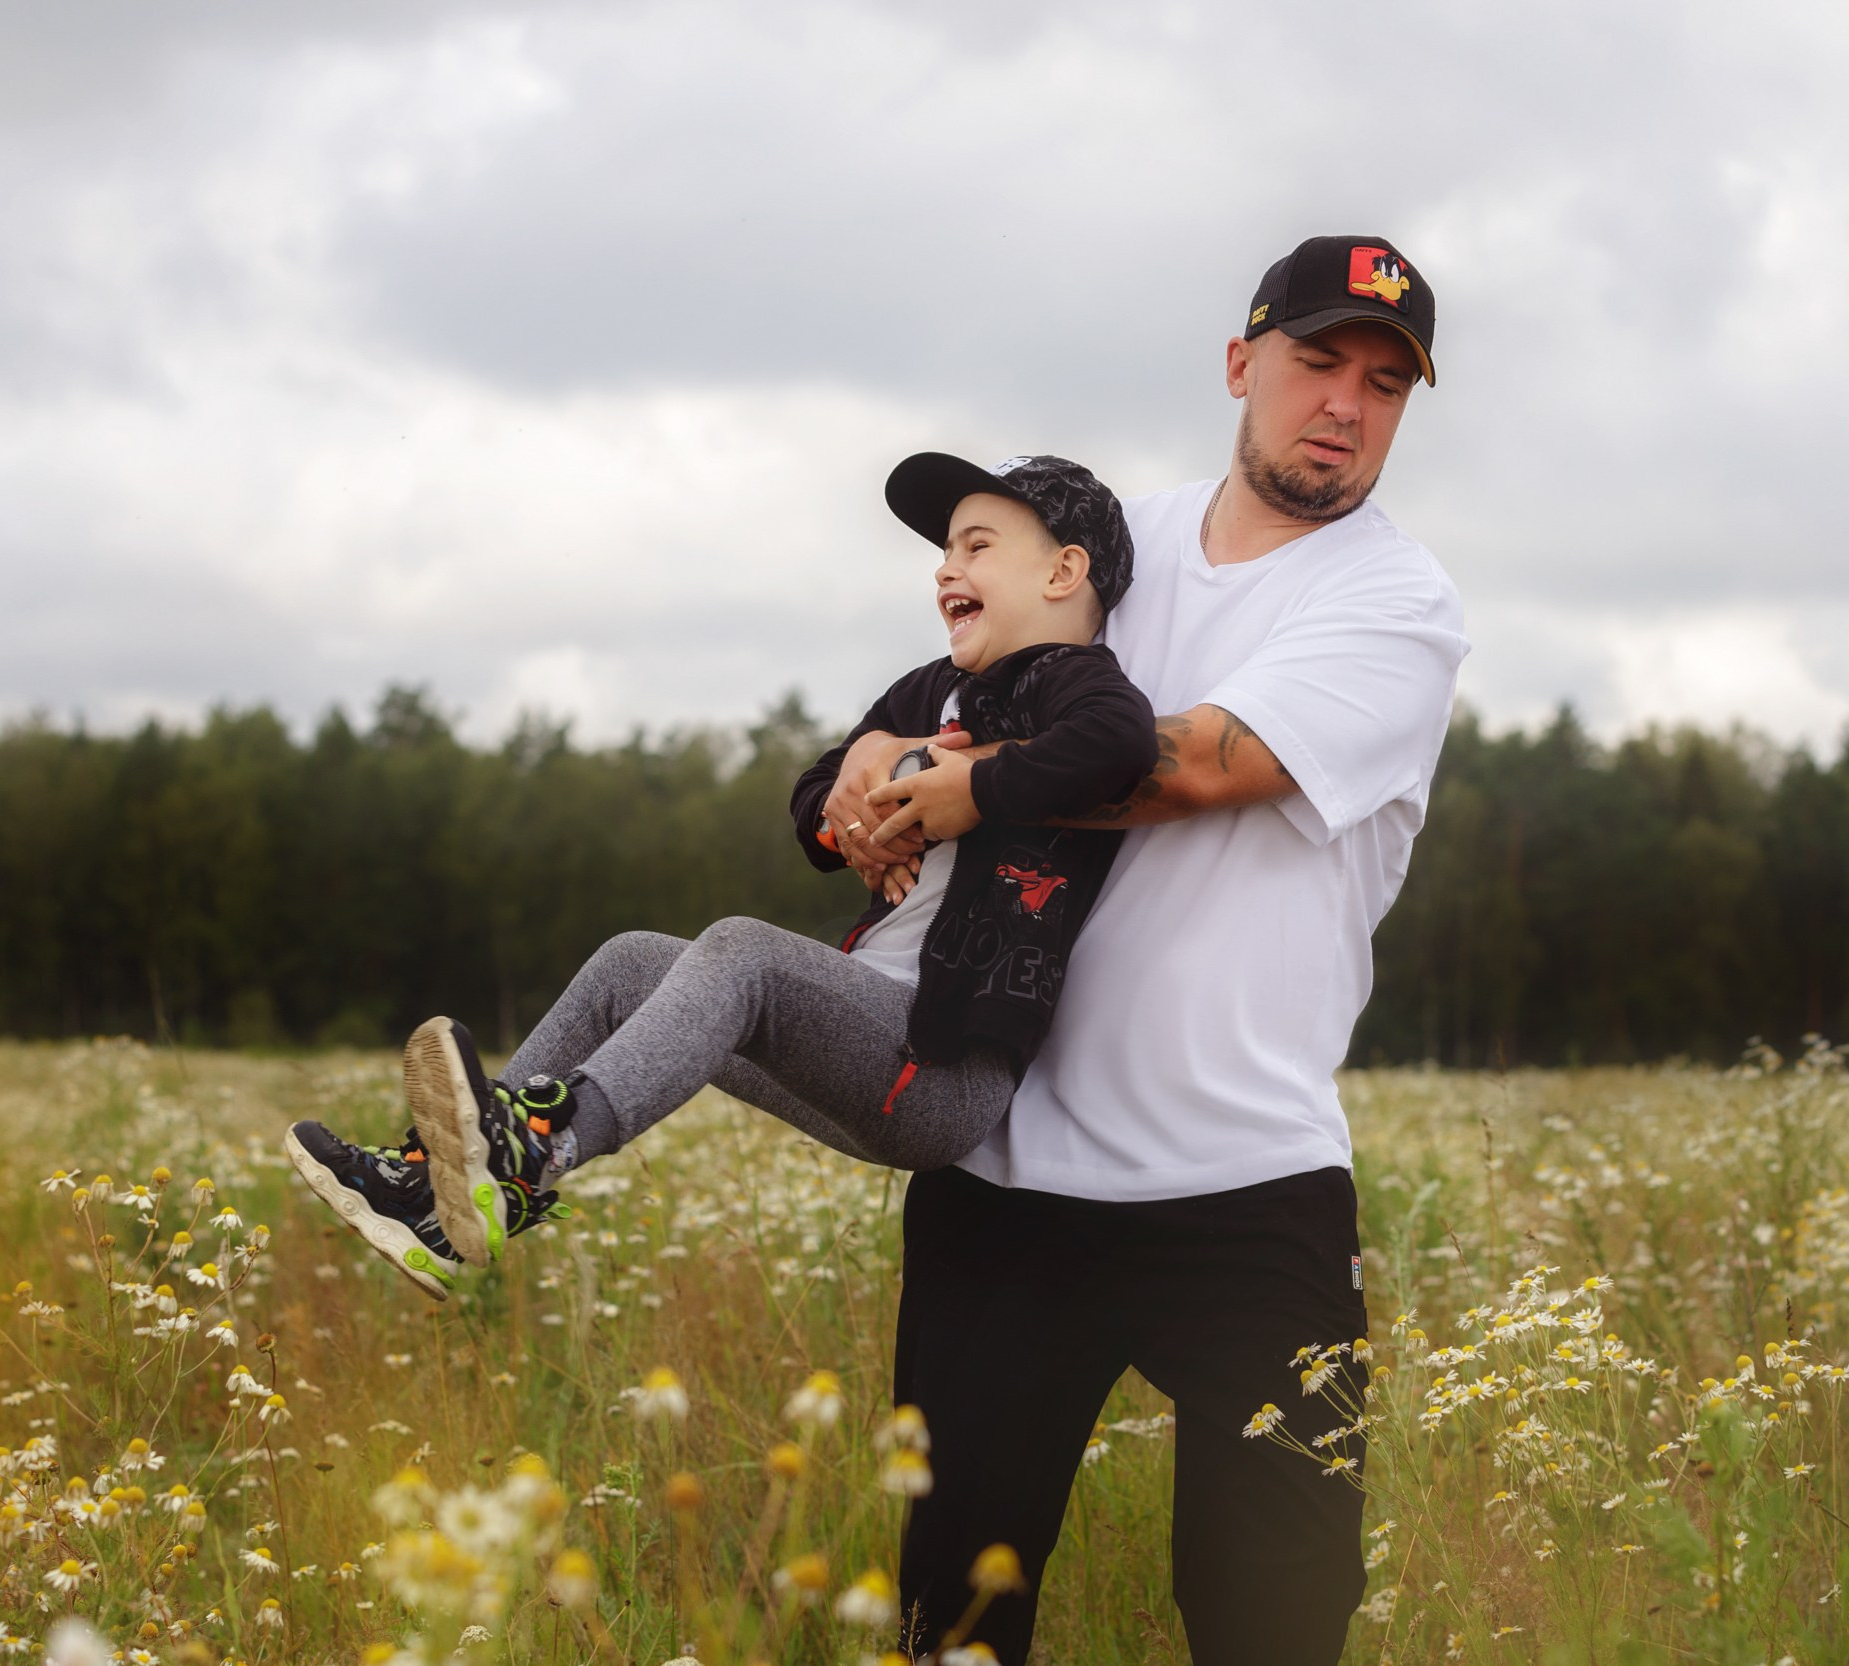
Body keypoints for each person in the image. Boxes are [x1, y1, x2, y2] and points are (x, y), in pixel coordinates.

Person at [826, 235, 1470, 1666]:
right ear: (1242, 366)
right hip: (1006, 1173)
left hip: (1250, 1193)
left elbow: (1188, 764)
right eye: (1316, 362)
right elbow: (950, 686)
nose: (1345, 406)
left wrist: (955, 774)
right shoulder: (1106, 554)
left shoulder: (1396, 606)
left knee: (1274, 1624)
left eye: (1385, 383)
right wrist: (873, 757)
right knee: (954, 1621)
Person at [282, 452, 1156, 1294]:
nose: (944, 570)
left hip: (941, 1068)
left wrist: (968, 785)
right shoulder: (930, 690)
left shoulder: (1073, 682)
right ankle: (434, 1195)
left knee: (742, 949)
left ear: (1062, 572)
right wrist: (861, 796)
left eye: (976, 546)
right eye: (943, 551)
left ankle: (535, 1150)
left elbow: (1118, 745)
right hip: (867, 1021)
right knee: (631, 960)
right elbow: (816, 798)